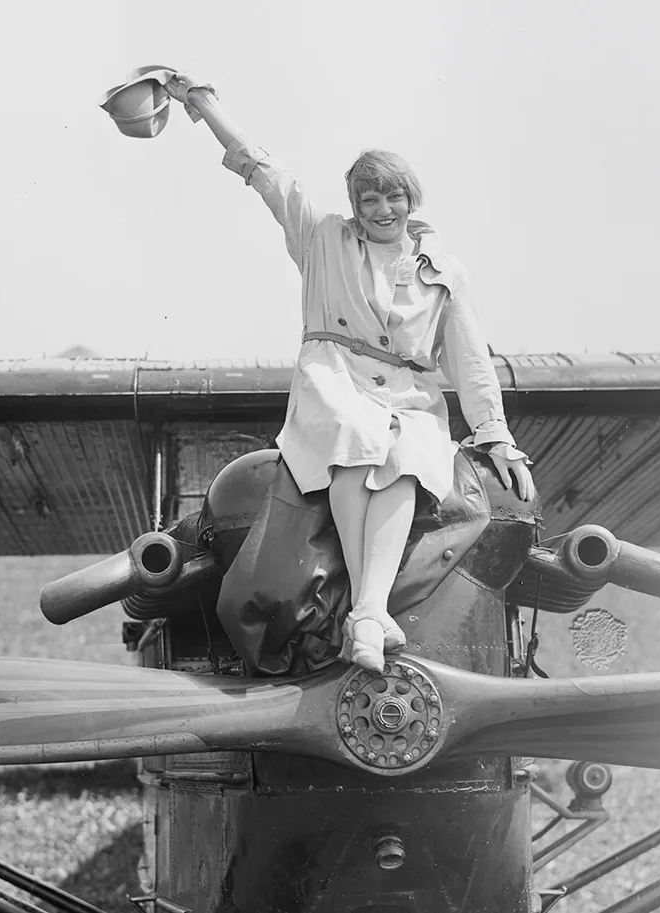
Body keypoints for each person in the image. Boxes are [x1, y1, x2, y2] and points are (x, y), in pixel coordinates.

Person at [165, 75, 536, 672]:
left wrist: (497, 437)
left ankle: (367, 610)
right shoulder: (322, 238)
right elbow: (263, 171)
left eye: (393, 197)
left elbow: (470, 357)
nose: (382, 210)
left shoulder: (445, 271)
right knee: (354, 440)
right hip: (334, 377)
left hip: (408, 394)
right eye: (369, 200)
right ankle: (370, 613)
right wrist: (203, 103)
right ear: (355, 206)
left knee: (411, 458)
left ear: (412, 199)